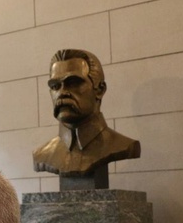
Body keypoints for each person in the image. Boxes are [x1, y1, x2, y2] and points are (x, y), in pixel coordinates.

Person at [33, 48, 140, 176]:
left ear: (100, 90)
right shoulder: (43, 154)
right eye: (55, 86)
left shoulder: (123, 145)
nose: (62, 93)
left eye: (73, 83)